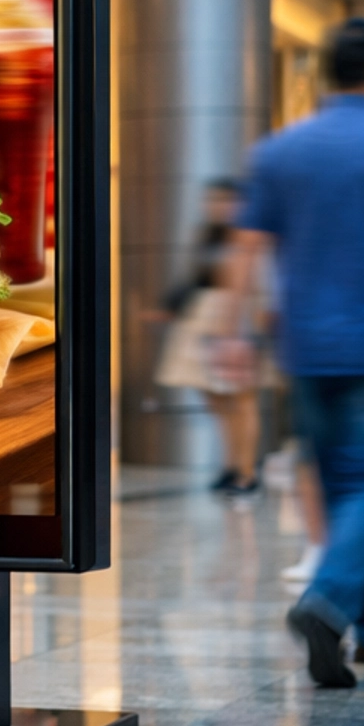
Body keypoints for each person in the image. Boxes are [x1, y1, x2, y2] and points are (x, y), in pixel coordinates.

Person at [223, 17, 364, 688]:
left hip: (306, 352)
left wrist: (231, 333)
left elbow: (246, 249)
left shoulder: (280, 152)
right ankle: (326, 603)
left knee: (346, 489)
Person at [154, 176, 264, 496]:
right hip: (202, 316)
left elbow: (255, 282)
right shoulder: (208, 235)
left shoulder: (249, 235)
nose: (218, 207)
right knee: (216, 398)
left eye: (226, 200)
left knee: (242, 398)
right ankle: (231, 466)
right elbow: (194, 278)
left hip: (237, 315)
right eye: (214, 200)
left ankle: (247, 472)